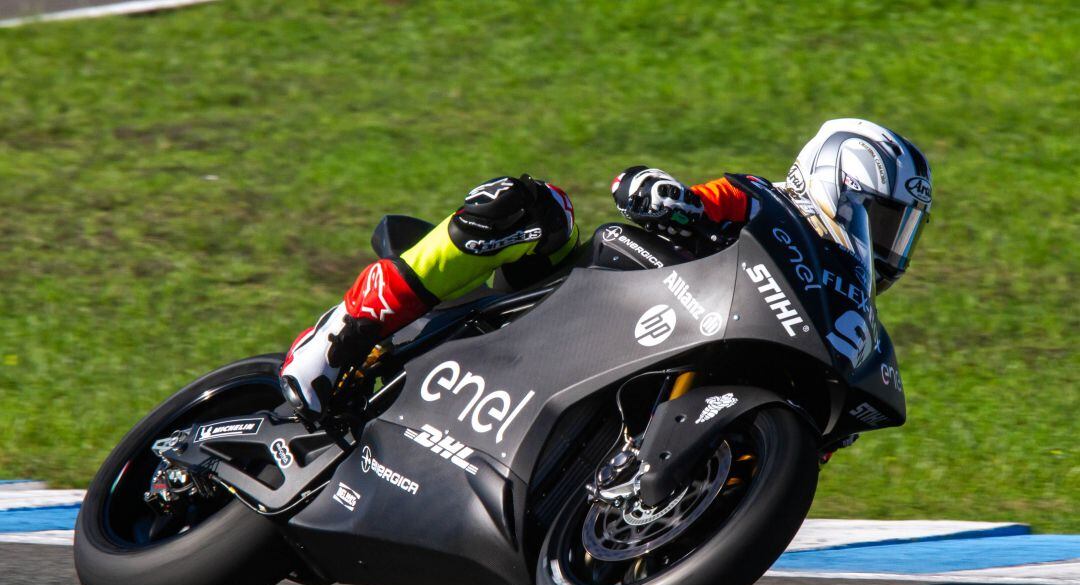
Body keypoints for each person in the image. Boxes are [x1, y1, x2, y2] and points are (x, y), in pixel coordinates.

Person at [280, 118, 932, 418]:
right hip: (594, 298)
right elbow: (671, 192)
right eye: (882, 220)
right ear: (834, 181)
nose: (888, 244)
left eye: (900, 231)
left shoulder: (849, 314)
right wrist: (664, 195)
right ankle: (346, 331)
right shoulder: (760, 200)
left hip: (663, 361)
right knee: (531, 207)